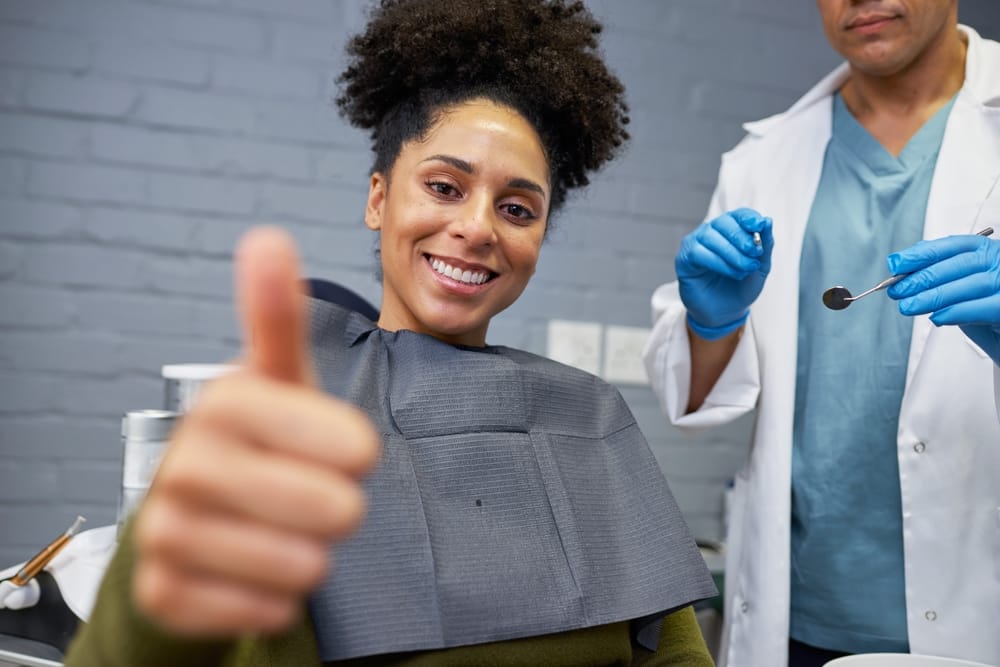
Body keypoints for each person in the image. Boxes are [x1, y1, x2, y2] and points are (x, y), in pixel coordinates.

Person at [63, 1, 719, 665]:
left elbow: (675, 653)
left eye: (517, 208)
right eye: (444, 186)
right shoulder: (285, 423)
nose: (478, 226)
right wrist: (151, 604)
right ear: (379, 198)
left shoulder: (590, 416)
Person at [642, 1, 1000, 666]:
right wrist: (711, 321)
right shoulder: (763, 156)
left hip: (981, 611)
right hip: (795, 618)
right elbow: (696, 395)